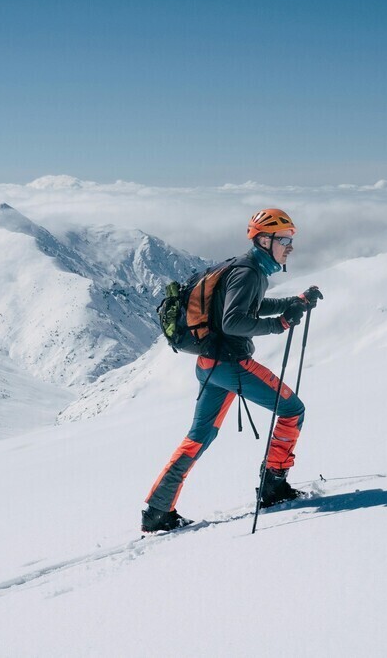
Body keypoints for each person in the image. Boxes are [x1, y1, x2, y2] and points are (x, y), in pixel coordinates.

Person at [142, 208, 323, 533]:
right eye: (285, 239)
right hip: (230, 365)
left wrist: (293, 302)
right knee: (293, 411)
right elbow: (233, 321)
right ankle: (273, 488)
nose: (290, 246)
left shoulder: (246, 268)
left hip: (210, 365)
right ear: (265, 240)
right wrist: (280, 323)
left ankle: (158, 510)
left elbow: (248, 306)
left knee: (199, 436)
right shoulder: (249, 272)